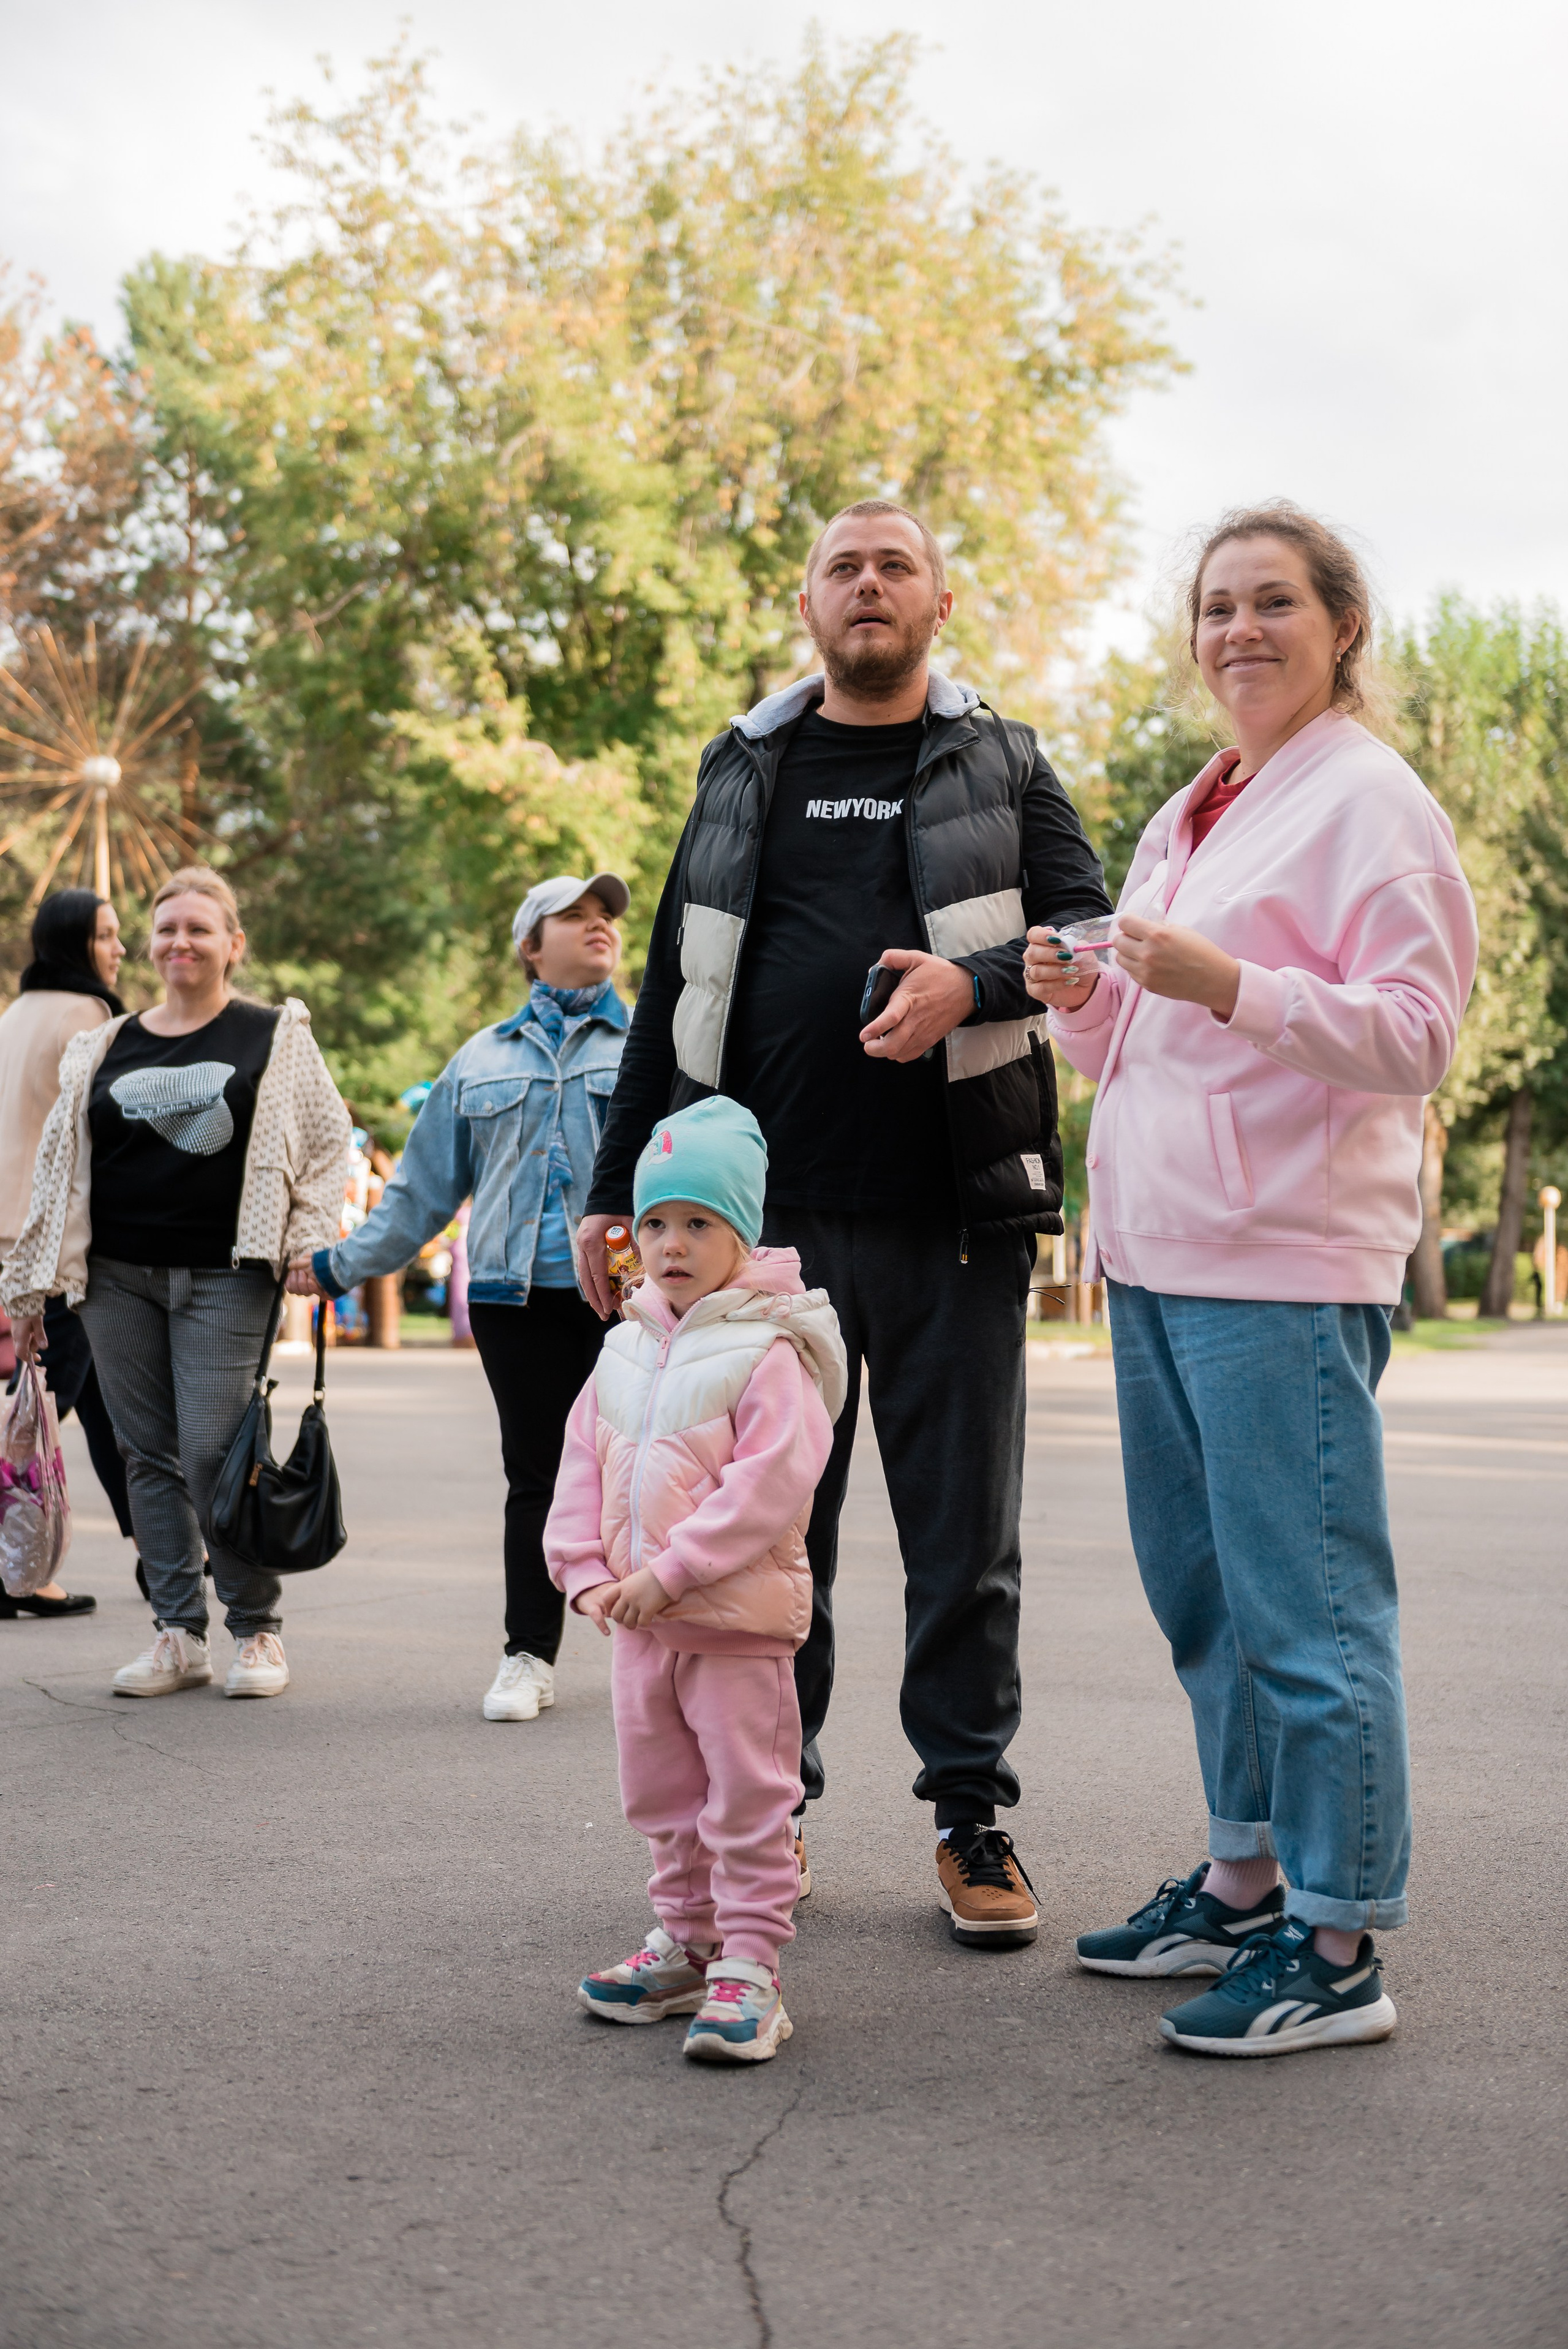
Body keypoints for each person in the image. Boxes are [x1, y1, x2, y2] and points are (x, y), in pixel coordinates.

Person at [578, 499, 1112, 1947]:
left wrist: (976, 982)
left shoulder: (998, 757)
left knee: (960, 1540)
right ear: (806, 601)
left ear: (939, 601)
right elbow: (674, 991)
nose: (866, 584)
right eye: (842, 566)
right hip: (766, 1245)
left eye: (893, 565)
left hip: (954, 1221)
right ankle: (769, 1817)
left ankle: (969, 1817)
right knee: (755, 1543)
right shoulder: (743, 763)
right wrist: (613, 1186)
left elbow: (1091, 937)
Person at [1025, 503, 1477, 2054]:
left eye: (1270, 601)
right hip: (1154, 1253)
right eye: (1214, 605)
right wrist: (1082, 996)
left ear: (1338, 623)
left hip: (1280, 1265)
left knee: (1310, 1609)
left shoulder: (1370, 801)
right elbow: (1139, 1038)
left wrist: (1233, 982)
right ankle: (1241, 1873)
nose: (1236, 630)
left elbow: (1415, 1030)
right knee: (1205, 1598)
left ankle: (1338, 1934)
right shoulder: (1199, 802)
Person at [288, 875, 631, 1721]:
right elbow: (418, 1196)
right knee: (536, 1478)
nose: (599, 926)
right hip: (515, 1301)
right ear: (529, 943)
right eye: (575, 916)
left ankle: (661, 1647)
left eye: (607, 917)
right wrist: (335, 1265)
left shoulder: (650, 1048)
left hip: (633, 1301)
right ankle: (529, 1653)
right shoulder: (479, 1060)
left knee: (653, 1472)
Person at [4, 866, 352, 1700]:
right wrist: (28, 1289)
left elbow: (327, 1140)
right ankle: (176, 1631)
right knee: (142, 1454)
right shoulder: (103, 1041)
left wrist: (308, 1238)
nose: (178, 942)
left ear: (234, 943)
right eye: (165, 929)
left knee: (210, 1449)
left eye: (199, 928)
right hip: (113, 1277)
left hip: (226, 1273)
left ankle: (255, 1627)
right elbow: (54, 1171)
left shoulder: (274, 1033)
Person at [548, 1096, 846, 2064]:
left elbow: (771, 1483)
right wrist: (587, 1574)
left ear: (741, 1231)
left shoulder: (770, 1348)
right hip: (640, 1627)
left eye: (699, 1222)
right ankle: (686, 1941)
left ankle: (751, 1966)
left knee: (748, 1798)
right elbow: (582, 1464)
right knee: (662, 1793)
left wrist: (672, 1570)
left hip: (734, 1623)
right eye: (656, 1222)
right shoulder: (624, 1347)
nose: (672, 1243)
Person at [0, 889, 134, 1617]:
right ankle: (15, 1569)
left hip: (10, 1234)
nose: (119, 950)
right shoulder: (89, 1015)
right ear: (76, 943)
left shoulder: (14, 1015)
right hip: (55, 1241)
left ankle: (160, 1547)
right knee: (43, 1402)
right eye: (108, 937)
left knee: (110, 1401)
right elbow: (96, 1135)